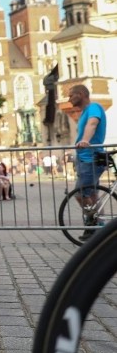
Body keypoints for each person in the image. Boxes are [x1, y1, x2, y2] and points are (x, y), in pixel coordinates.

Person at [68, 85, 107, 240]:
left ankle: (94, 223)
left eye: (71, 95)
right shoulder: (84, 112)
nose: (69, 99)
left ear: (81, 94)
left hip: (91, 158)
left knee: (80, 192)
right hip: (85, 158)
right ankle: (99, 228)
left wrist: (85, 140)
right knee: (92, 194)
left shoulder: (94, 107)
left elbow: (93, 123)